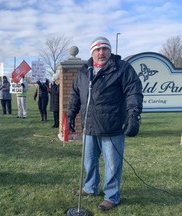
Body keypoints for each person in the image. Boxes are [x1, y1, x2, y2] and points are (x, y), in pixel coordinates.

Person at [67, 36, 143, 211]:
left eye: (105, 49)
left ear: (110, 51)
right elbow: (75, 94)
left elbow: (133, 91)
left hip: (112, 125)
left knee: (112, 164)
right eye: (97, 49)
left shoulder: (122, 68)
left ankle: (112, 196)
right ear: (92, 52)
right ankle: (90, 187)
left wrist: (133, 115)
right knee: (89, 160)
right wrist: (71, 114)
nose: (101, 52)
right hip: (90, 125)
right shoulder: (84, 71)